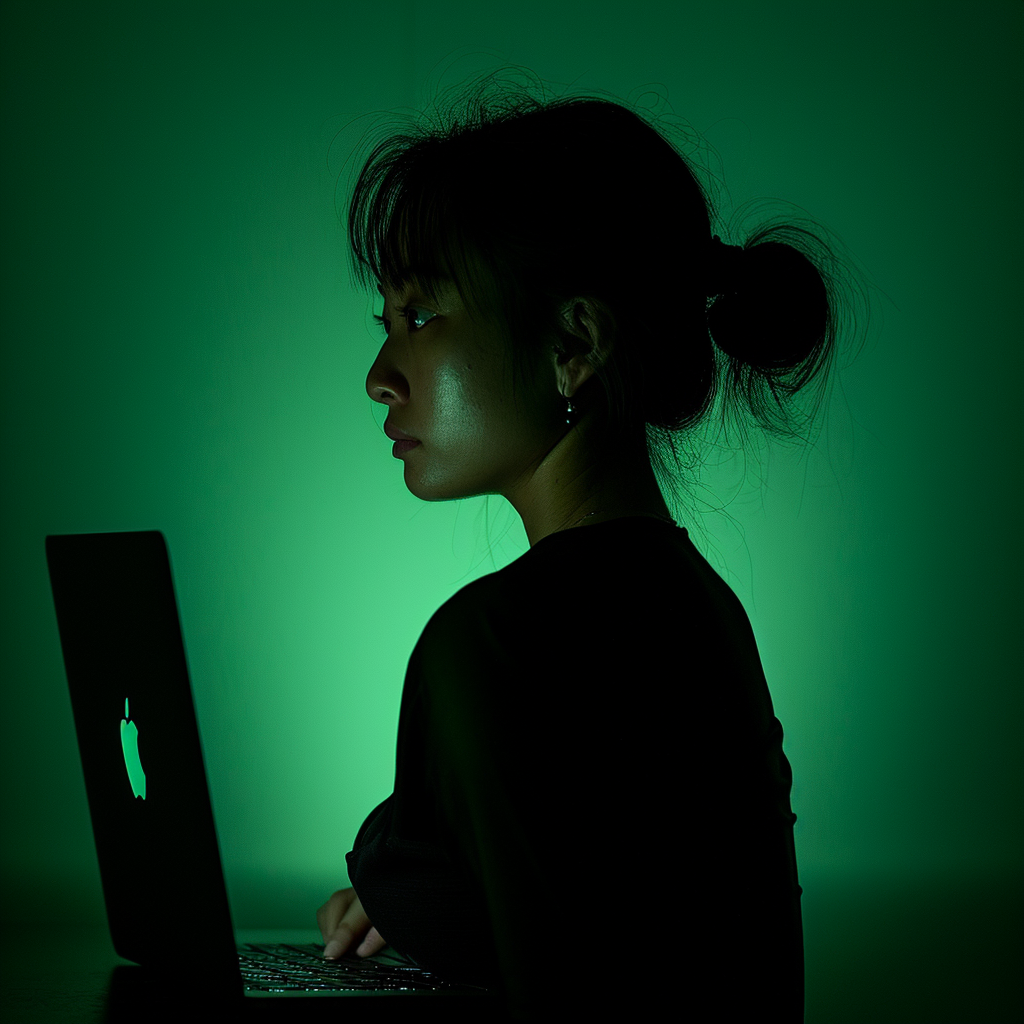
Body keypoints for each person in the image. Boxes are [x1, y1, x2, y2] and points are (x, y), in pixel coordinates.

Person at [316, 68, 860, 1022]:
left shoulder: (493, 642)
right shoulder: (703, 612)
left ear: (574, 343)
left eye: (423, 316)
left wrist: (419, 896)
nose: (380, 376)